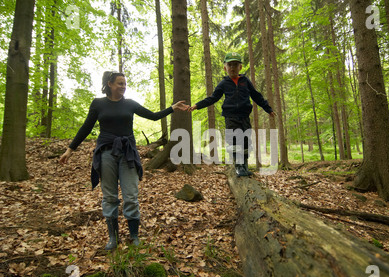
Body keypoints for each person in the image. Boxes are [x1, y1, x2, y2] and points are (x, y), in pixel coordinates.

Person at [59, 71, 189, 250]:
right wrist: (70, 150)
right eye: (120, 83)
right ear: (110, 84)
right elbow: (86, 127)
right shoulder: (98, 104)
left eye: (125, 83)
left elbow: (153, 116)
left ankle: (134, 236)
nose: (123, 86)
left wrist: (172, 108)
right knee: (110, 196)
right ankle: (113, 238)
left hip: (127, 153)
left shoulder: (130, 104)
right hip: (106, 153)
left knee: (131, 195)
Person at [188, 52, 276, 176]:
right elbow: (213, 98)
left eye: (235, 64)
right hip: (231, 117)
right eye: (230, 65)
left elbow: (256, 95)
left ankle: (244, 166)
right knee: (235, 140)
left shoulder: (245, 81)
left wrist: (268, 109)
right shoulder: (224, 83)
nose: (233, 68)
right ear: (225, 68)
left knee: (246, 141)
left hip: (244, 116)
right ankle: (238, 166)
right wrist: (197, 105)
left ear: (240, 67)